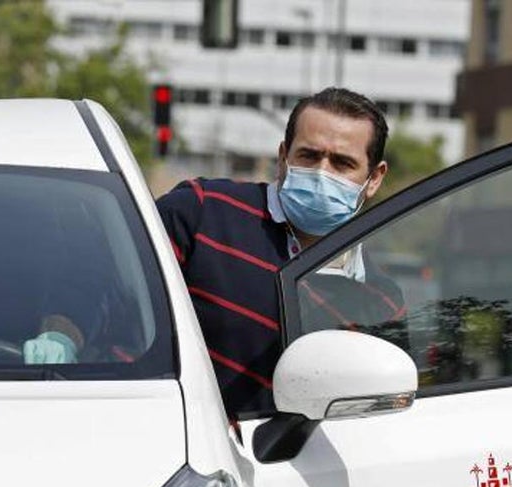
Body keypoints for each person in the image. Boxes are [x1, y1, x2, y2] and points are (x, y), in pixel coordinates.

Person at [156, 87, 405, 417]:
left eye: (342, 163)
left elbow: (376, 413)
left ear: (374, 178)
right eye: (309, 156)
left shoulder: (382, 303)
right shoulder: (201, 212)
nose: (322, 173)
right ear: (283, 156)